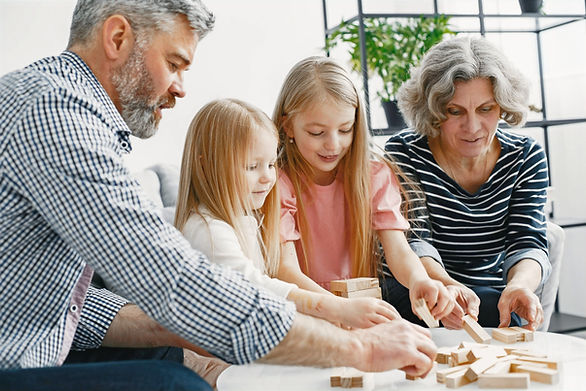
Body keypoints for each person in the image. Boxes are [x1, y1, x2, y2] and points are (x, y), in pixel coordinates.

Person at [0, 1, 438, 390]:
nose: (181, 87)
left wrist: (167, 328)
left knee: (173, 356)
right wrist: (358, 350)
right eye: (175, 63)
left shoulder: (57, 106)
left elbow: (64, 303)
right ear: (117, 37)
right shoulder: (55, 114)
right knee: (172, 383)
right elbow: (171, 279)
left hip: (29, 350)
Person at [175, 98, 400, 329]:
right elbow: (256, 288)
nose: (267, 177)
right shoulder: (208, 230)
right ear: (206, 166)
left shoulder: (245, 221)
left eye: (271, 165)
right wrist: (337, 308)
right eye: (252, 167)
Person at [272, 56, 456, 327]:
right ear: (288, 126)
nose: (332, 145)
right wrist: (338, 309)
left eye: (345, 129)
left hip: (359, 305)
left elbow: (398, 251)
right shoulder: (277, 182)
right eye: (316, 132)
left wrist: (420, 279)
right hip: (302, 310)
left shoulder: (373, 175)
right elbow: (284, 269)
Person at [385, 36, 551, 330]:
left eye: (486, 109)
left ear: (503, 106)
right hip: (417, 288)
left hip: (486, 293)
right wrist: (447, 287)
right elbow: (414, 241)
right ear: (434, 110)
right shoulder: (404, 153)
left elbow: (528, 241)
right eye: (455, 111)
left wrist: (519, 286)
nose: (473, 128)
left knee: (495, 311)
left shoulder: (526, 156)